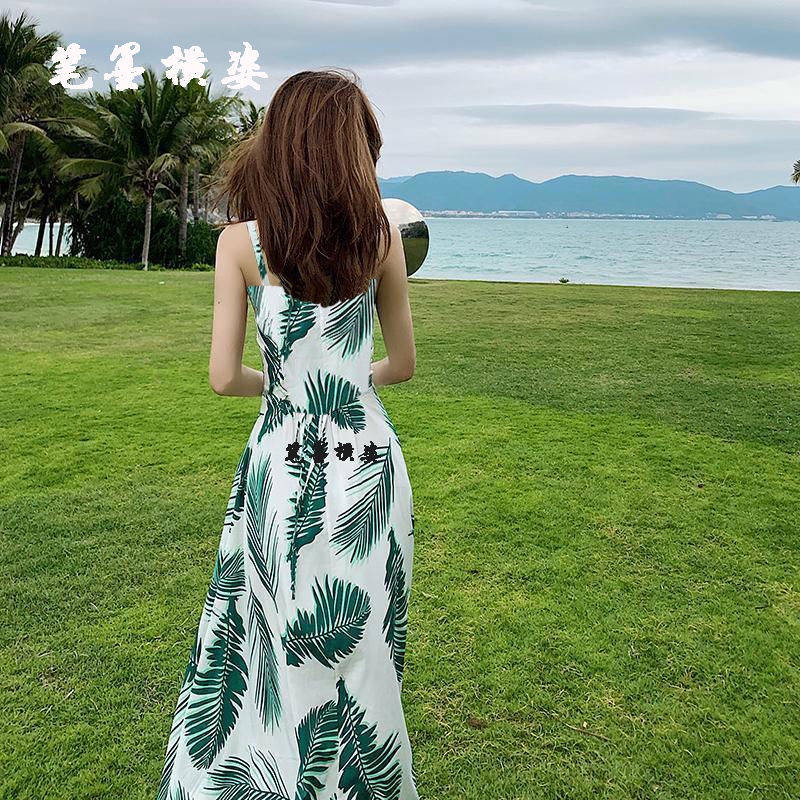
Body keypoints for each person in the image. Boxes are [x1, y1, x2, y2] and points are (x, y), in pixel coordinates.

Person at [155, 69, 419, 800]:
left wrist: (285, 389)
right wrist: (348, 382)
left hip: (283, 463)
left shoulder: (241, 244)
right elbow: (402, 364)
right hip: (367, 464)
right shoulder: (381, 240)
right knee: (361, 650)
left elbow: (222, 376)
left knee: (263, 639)